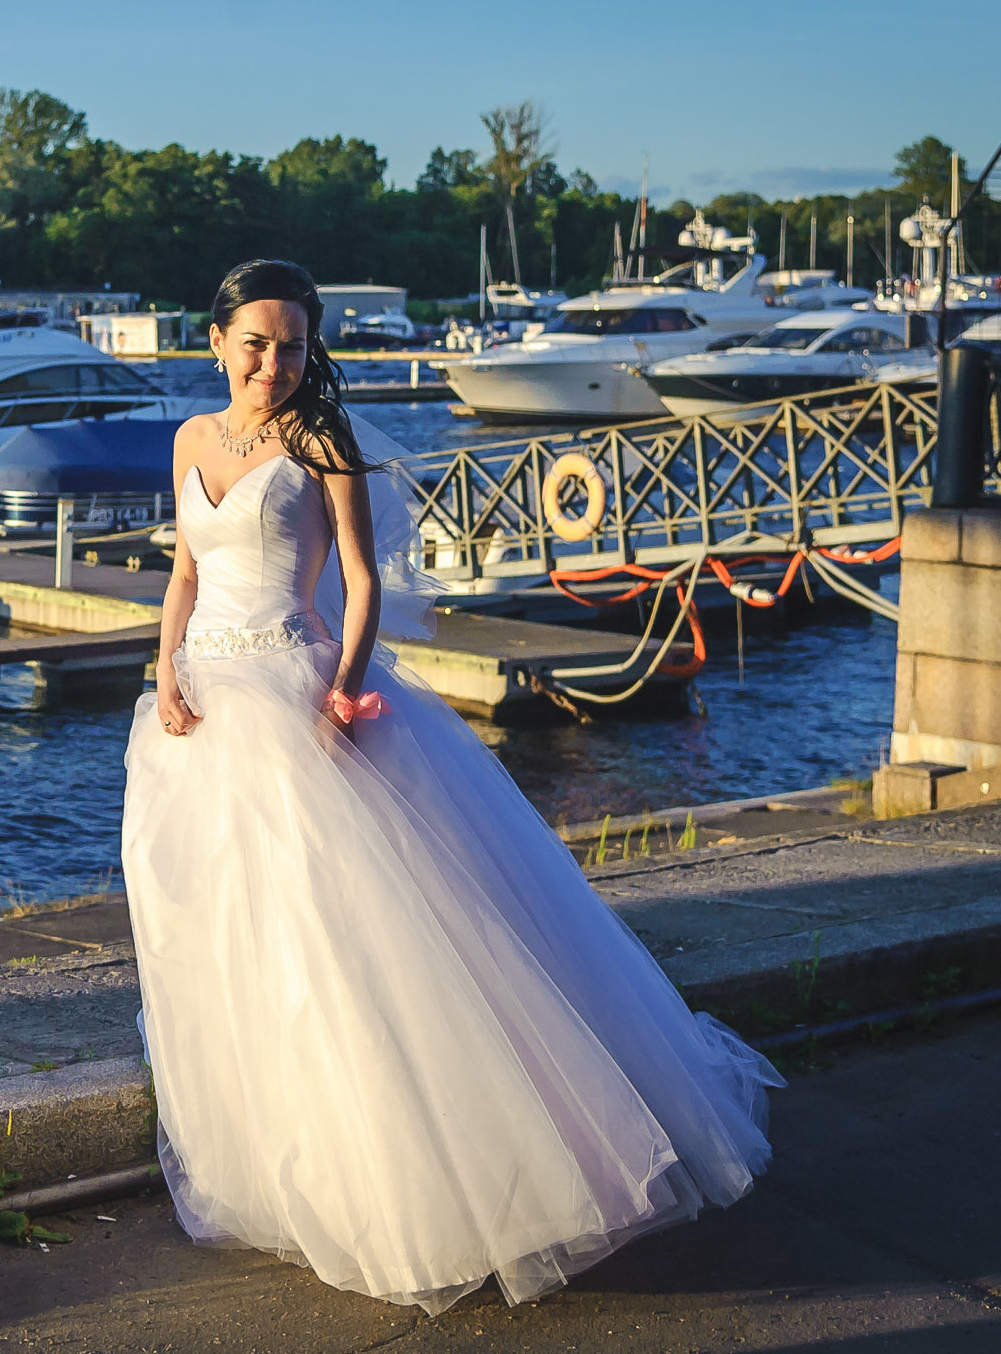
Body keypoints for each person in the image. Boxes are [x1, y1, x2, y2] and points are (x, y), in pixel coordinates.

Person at [122, 259, 781, 1315]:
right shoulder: (190, 441)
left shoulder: (318, 441)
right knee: (234, 933)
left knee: (343, 935)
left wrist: (339, 689)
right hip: (200, 702)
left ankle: (421, 1170)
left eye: (292, 345)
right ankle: (277, 1149)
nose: (273, 363)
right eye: (255, 343)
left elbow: (365, 576)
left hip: (294, 692)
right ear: (214, 342)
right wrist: (165, 670)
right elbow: (185, 573)